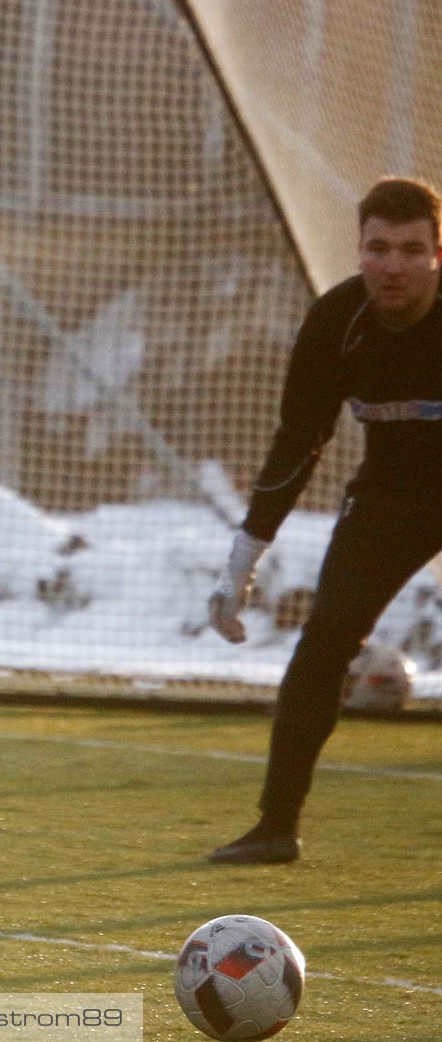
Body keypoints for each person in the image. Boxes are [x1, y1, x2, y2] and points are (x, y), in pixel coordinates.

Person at [206, 175, 442, 864]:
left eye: (410, 250)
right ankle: (275, 826)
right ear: (359, 249)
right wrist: (238, 566)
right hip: (393, 493)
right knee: (324, 642)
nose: (391, 266)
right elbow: (296, 446)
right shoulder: (336, 324)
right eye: (377, 248)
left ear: (437, 254)